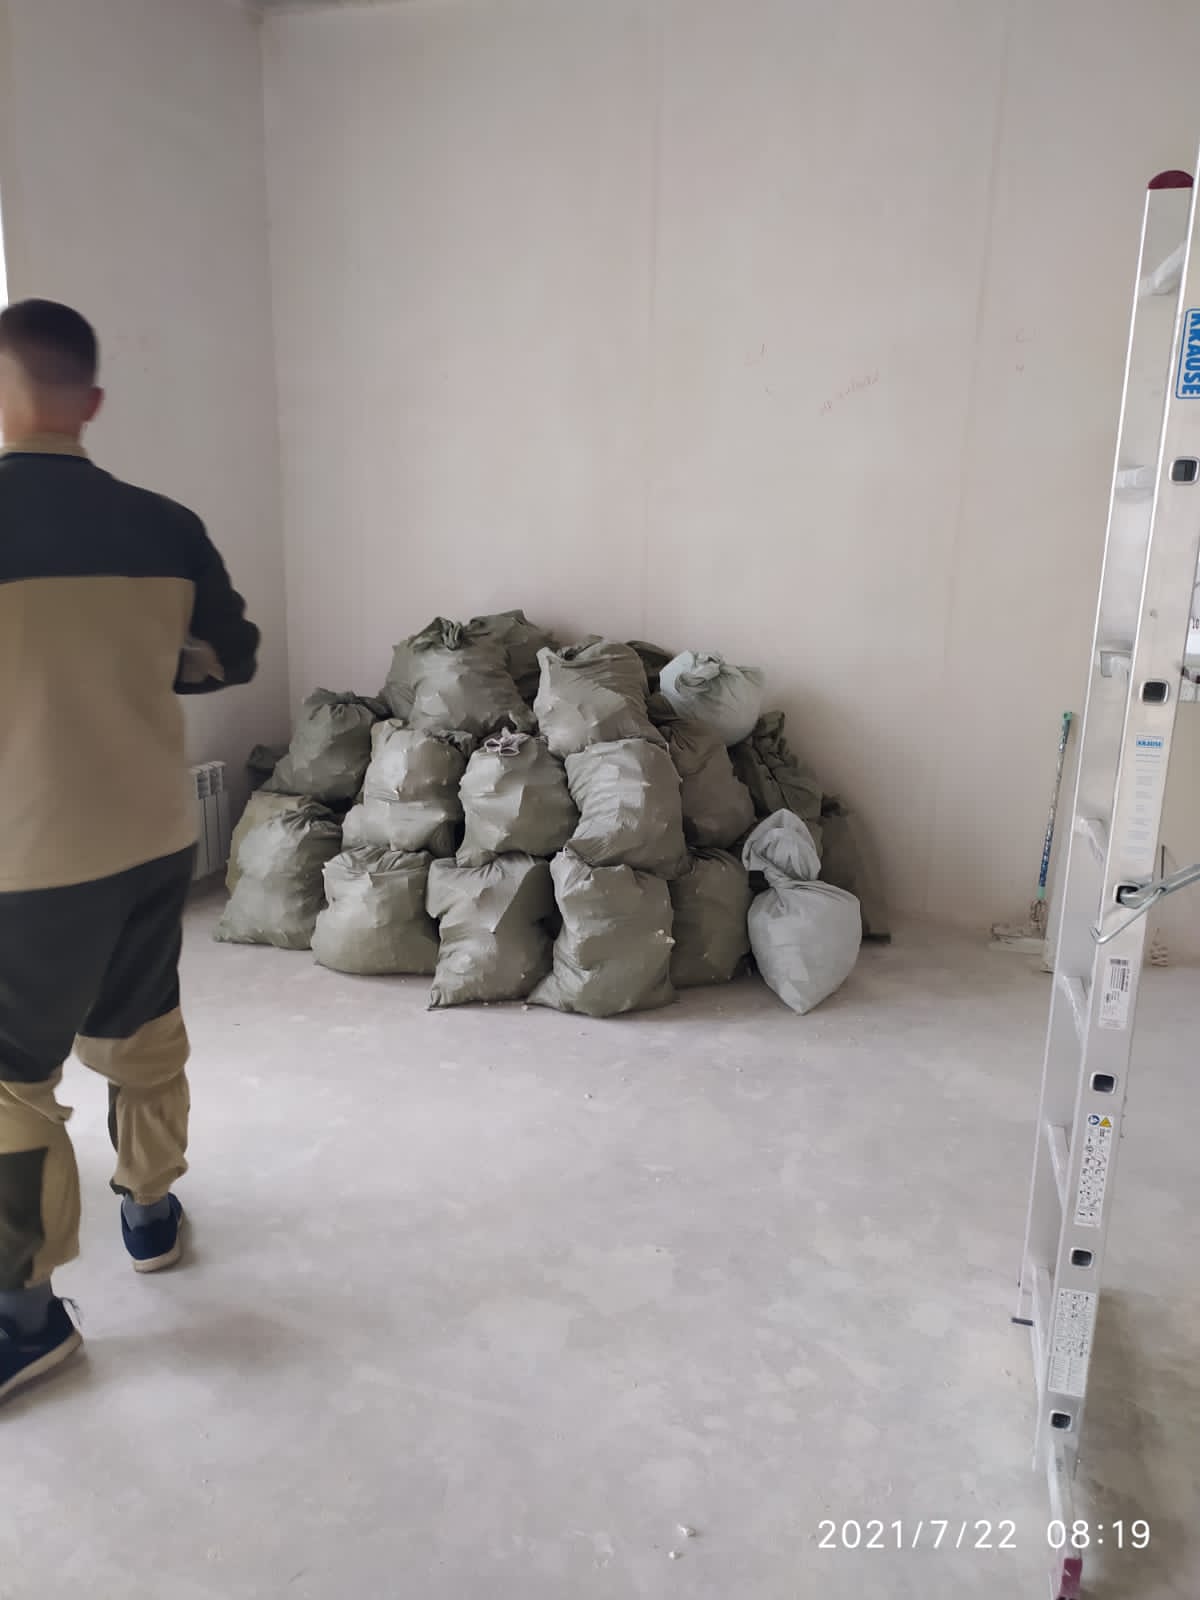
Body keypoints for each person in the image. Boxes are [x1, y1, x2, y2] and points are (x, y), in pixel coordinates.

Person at [0, 299, 260, 1404]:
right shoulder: (166, 525)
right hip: (152, 835)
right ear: (91, 401)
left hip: (22, 853)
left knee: (10, 1084)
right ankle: (149, 1215)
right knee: (142, 1029)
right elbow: (226, 658)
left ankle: (24, 1319)